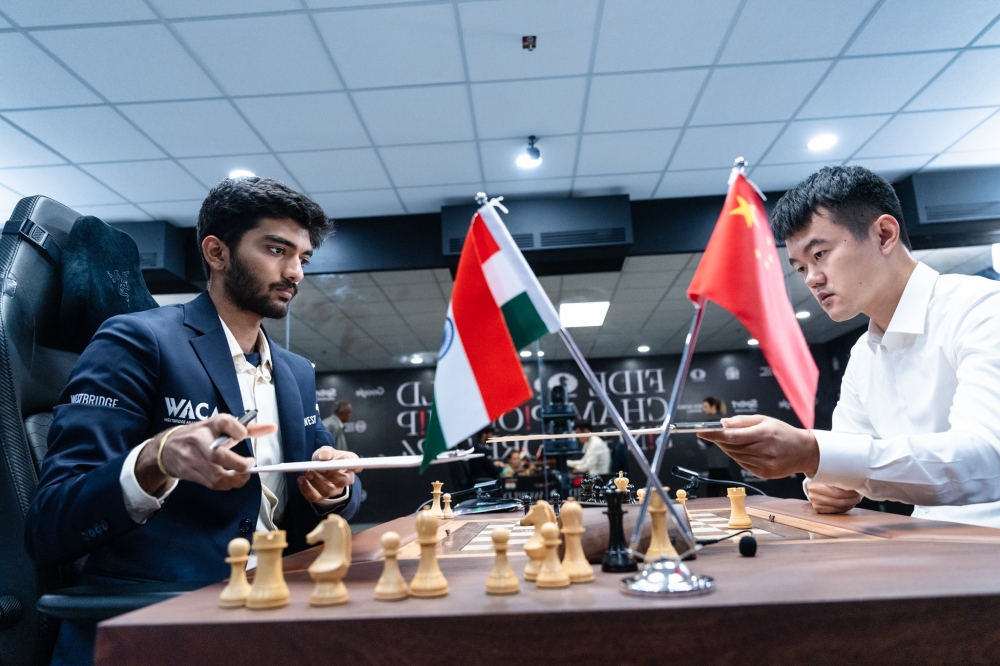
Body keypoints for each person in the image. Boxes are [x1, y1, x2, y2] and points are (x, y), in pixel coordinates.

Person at [25, 177, 363, 665]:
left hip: (274, 613)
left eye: (303, 258)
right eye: (276, 250)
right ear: (216, 252)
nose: (295, 273)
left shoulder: (294, 372)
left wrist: (336, 487)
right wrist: (155, 459)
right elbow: (50, 523)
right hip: (158, 629)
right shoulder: (137, 342)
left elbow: (328, 488)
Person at [698, 165, 1000, 528]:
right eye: (800, 267)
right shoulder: (863, 354)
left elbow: (985, 458)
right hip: (933, 543)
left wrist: (817, 453)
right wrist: (827, 482)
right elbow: (838, 467)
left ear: (884, 234)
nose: (812, 278)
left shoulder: (983, 310)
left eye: (820, 254)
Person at [701, 397, 732, 497]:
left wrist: (701, 436)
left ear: (713, 406)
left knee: (712, 494)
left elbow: (708, 441)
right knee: (729, 491)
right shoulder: (719, 421)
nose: (704, 409)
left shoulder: (713, 422)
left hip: (717, 464)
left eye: (706, 406)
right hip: (719, 463)